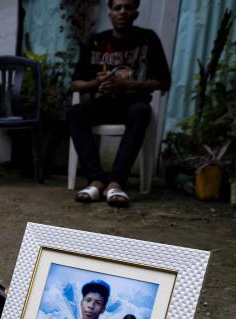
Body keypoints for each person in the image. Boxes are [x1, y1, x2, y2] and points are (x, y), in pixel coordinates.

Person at [68, 0, 171, 207]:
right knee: (75, 112)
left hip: (132, 105)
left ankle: (115, 183)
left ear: (136, 13)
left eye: (128, 7)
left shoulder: (148, 39)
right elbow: (75, 84)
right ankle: (96, 181)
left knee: (141, 111)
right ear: (110, 14)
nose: (122, 12)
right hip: (102, 104)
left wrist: (127, 85)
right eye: (117, 8)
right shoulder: (96, 42)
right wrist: (96, 83)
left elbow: (163, 82)